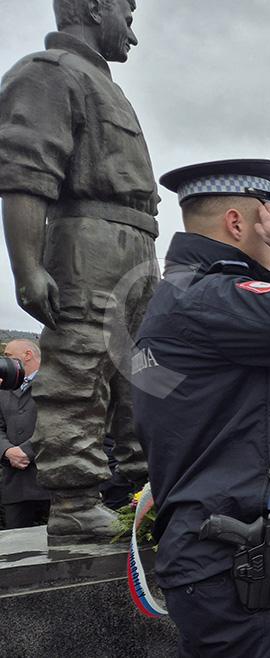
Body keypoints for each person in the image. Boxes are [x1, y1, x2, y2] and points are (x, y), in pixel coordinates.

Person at [133, 159, 270, 656]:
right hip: (239, 566)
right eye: (267, 220)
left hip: (230, 558)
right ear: (237, 223)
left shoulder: (190, 296)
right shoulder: (210, 296)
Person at [0, 0, 159, 542]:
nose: (132, 36)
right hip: (87, 245)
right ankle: (74, 501)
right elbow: (25, 174)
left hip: (137, 248)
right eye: (128, 18)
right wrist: (27, 266)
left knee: (141, 377)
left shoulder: (105, 85)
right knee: (79, 371)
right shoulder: (48, 73)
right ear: (94, 6)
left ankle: (149, 491)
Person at [0, 339, 50, 528]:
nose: (4, 360)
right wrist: (6, 451)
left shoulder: (53, 384)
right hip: (15, 484)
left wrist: (27, 451)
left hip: (50, 481)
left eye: (8, 356)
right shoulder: (3, 388)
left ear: (27, 355)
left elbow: (59, 423)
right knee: (16, 542)